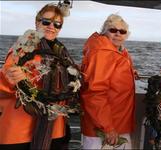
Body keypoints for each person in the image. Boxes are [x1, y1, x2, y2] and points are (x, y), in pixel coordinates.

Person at [0, 3, 79, 150]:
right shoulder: (22, 48)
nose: (51, 27)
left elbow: (71, 83)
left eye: (57, 24)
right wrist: (12, 78)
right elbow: (3, 83)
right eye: (46, 22)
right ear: (37, 22)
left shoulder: (62, 53)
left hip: (54, 127)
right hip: (20, 129)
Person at [80, 14, 137, 149]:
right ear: (104, 32)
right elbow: (95, 92)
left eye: (122, 31)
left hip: (117, 124)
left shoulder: (117, 52)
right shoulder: (103, 53)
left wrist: (129, 73)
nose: (118, 34)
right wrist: (107, 127)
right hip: (106, 128)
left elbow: (111, 73)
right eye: (113, 30)